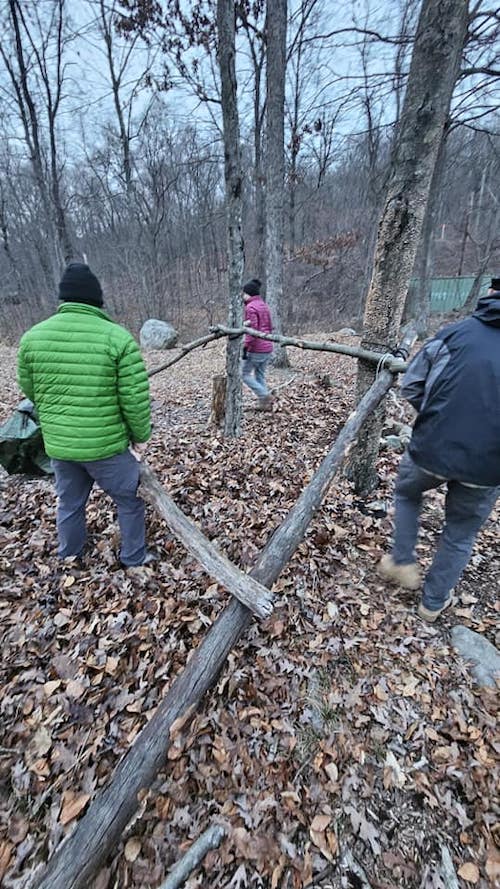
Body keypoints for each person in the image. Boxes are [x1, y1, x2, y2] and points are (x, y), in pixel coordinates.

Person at [378, 276, 500, 622]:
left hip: (432, 447)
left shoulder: (453, 334)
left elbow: (412, 385)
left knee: (406, 493)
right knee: (460, 534)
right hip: (487, 466)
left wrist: (436, 416)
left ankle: (402, 560)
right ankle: (432, 604)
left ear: (490, 294)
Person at [17, 262, 153, 569]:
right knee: (130, 500)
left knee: (69, 504)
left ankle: (70, 556)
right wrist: (140, 437)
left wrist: (57, 413)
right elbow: (134, 399)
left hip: (61, 446)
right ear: (97, 299)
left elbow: (30, 389)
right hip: (106, 446)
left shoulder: (32, 338)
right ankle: (134, 558)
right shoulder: (118, 339)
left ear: (63, 298)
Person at [241, 278, 274, 410]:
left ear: (248, 294)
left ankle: (264, 395)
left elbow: (253, 331)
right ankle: (265, 404)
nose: (242, 296)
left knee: (243, 374)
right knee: (259, 375)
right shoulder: (263, 305)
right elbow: (269, 326)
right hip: (268, 346)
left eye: (244, 293)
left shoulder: (250, 307)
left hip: (257, 349)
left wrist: (246, 346)